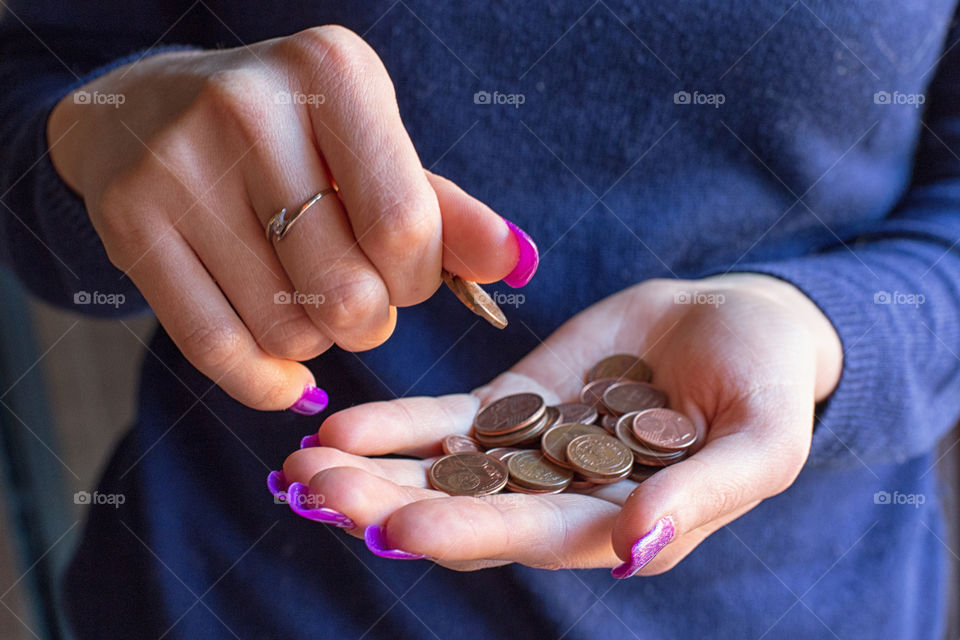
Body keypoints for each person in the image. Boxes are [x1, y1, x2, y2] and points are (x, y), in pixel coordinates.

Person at [1, 1, 958, 638]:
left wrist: (819, 326)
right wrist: (106, 138)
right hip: (242, 588)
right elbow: (34, 90)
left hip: (804, 606)